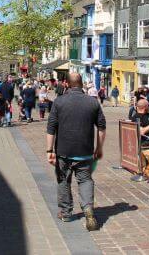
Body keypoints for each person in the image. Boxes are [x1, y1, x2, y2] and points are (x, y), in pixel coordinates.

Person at [46, 72, 106, 231]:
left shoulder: (59, 102)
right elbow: (101, 127)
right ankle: (88, 209)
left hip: (63, 151)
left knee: (63, 180)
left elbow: (51, 128)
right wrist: (99, 148)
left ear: (66, 83)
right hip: (85, 151)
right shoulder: (92, 102)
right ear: (82, 83)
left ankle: (66, 213)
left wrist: (49, 150)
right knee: (85, 180)